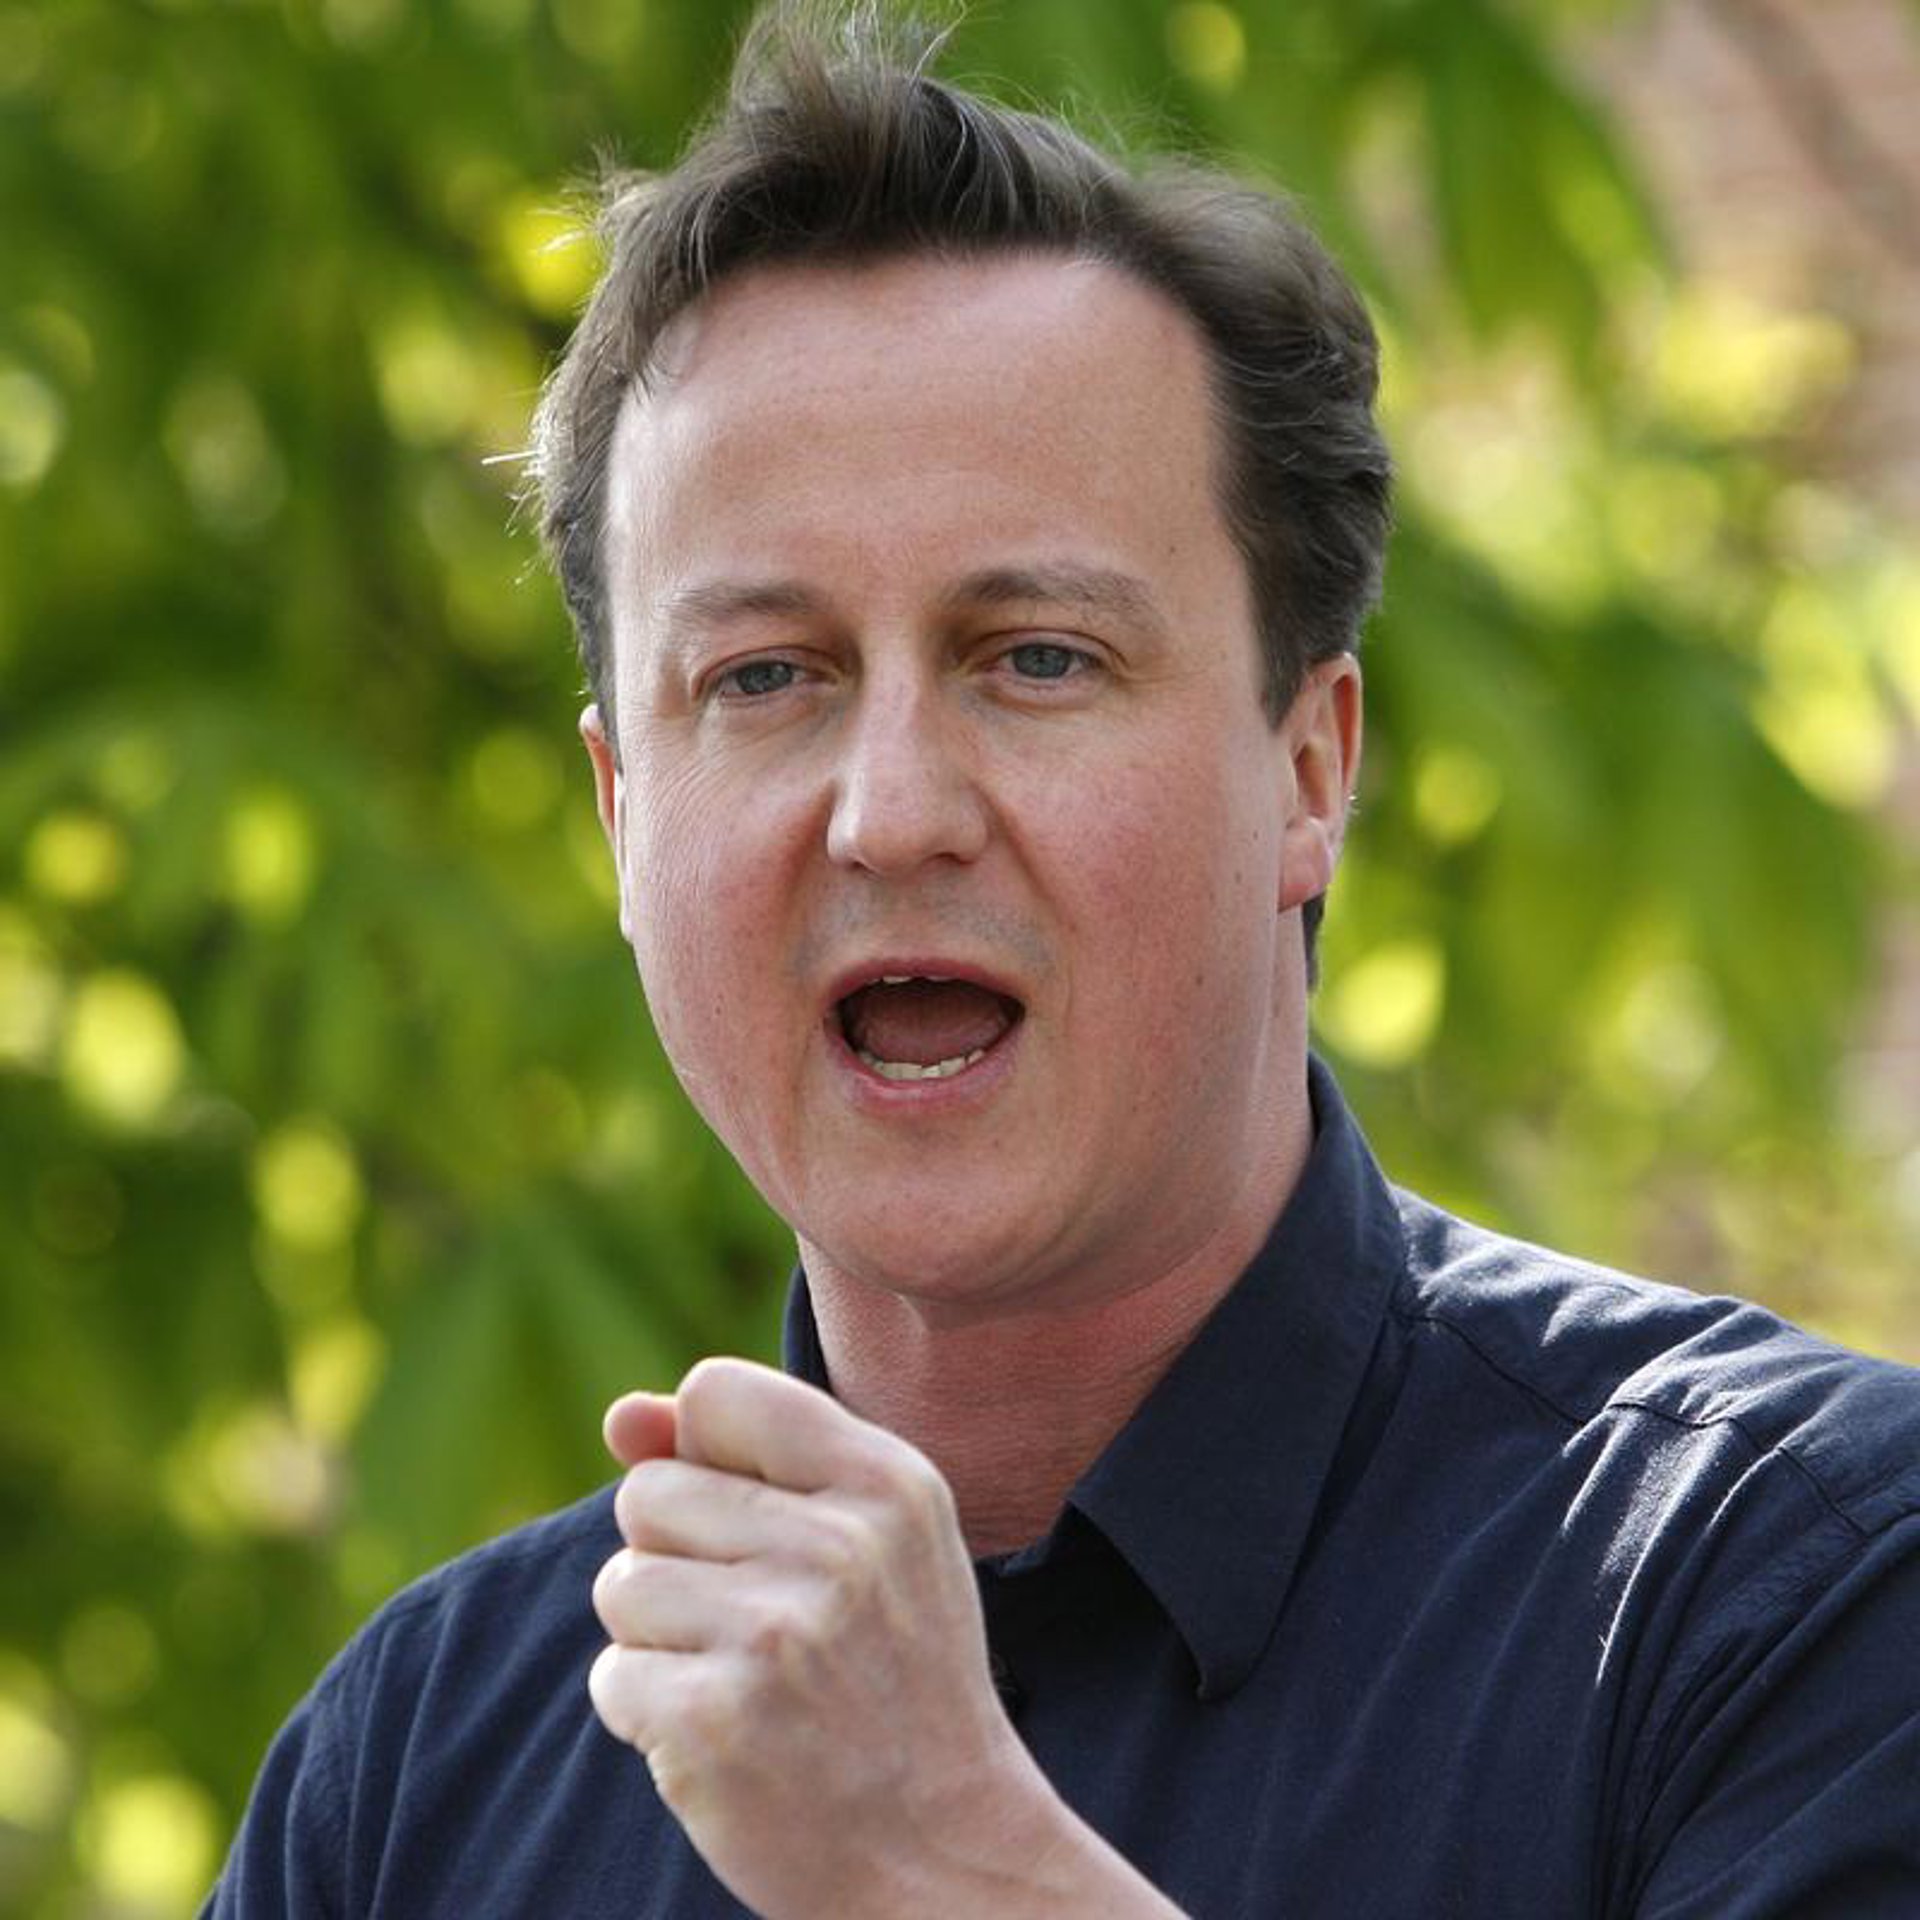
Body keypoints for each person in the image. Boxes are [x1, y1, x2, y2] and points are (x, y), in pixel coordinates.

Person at [204, 7, 1920, 1916]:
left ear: (1309, 771)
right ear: (622, 820)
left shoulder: (1798, 1593)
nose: (889, 813)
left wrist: (941, 1860)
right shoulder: (413, 1786)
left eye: (1036, 657)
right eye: (764, 677)